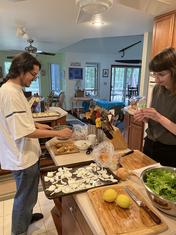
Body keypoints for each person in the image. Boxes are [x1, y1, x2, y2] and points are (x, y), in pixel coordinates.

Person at [0, 52, 73, 235]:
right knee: (24, 197)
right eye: (33, 74)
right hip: (22, 158)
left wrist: (38, 123)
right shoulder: (10, 93)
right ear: (21, 70)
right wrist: (57, 132)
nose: (34, 78)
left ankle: (26, 217)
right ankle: (19, 231)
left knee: (28, 195)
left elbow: (20, 121)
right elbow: (23, 131)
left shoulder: (12, 90)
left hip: (23, 155)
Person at [134, 47, 176, 167]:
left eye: (161, 75)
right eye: (154, 74)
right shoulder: (157, 89)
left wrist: (159, 117)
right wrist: (145, 117)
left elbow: (160, 118)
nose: (157, 80)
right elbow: (155, 119)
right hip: (150, 144)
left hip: (170, 151)